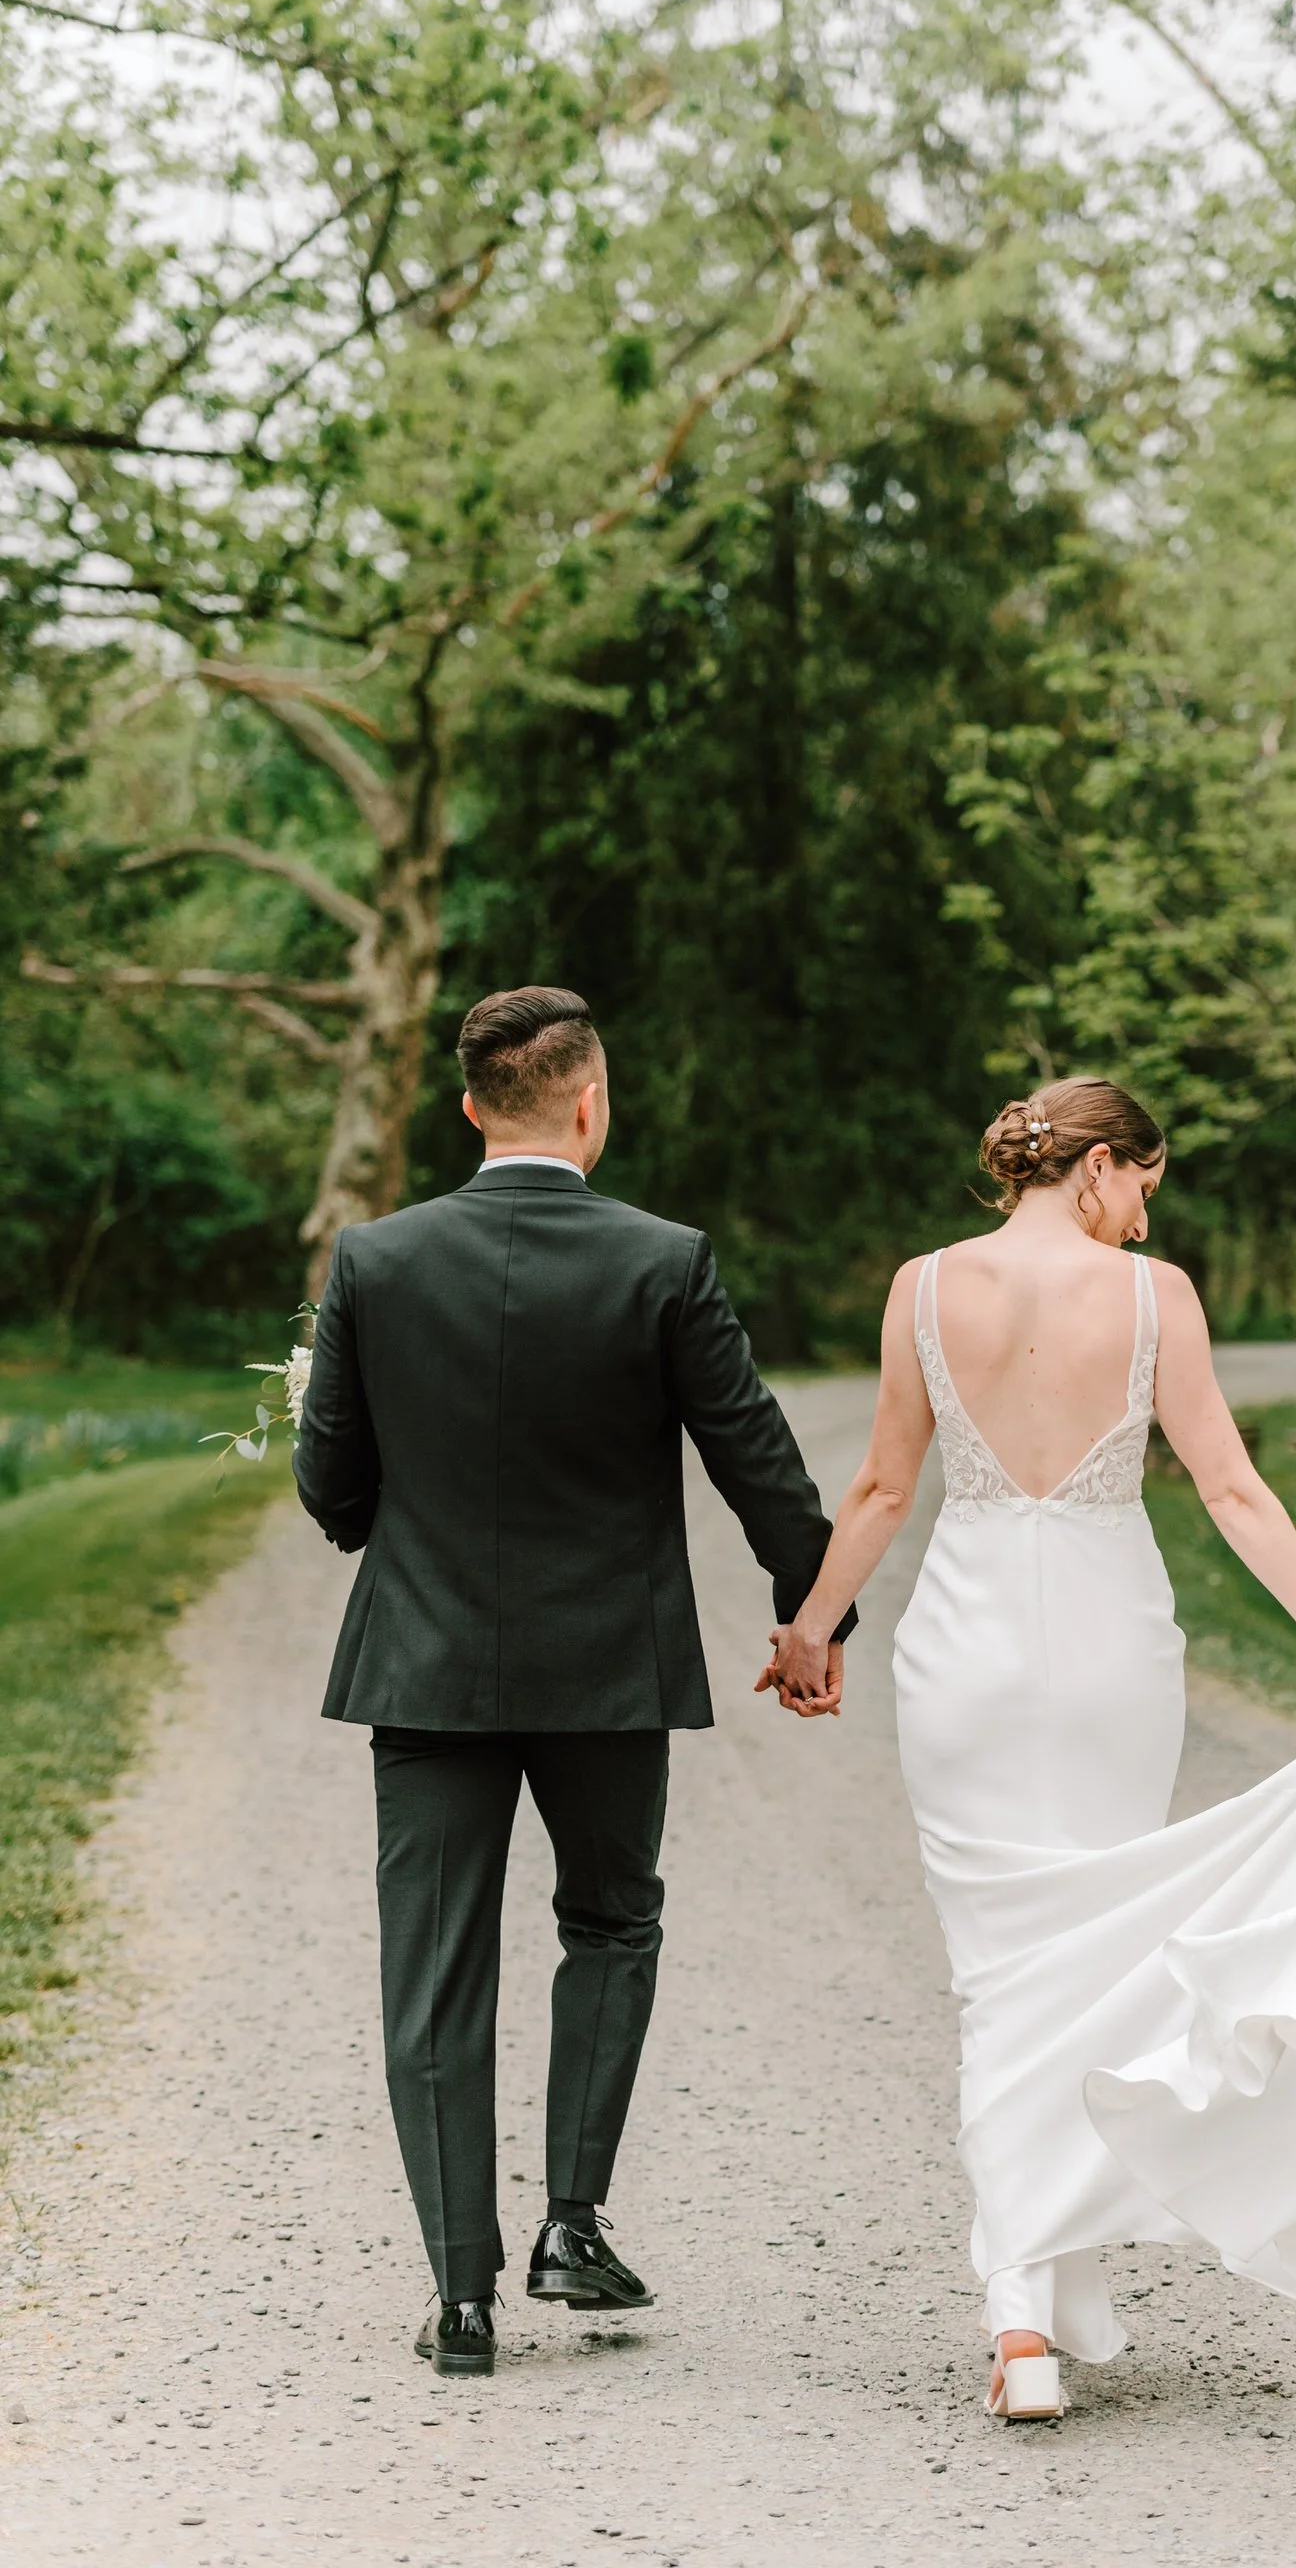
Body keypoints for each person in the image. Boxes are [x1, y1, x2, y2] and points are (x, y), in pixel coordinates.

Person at [764, 1078, 1296, 2421]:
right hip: (1113, 1653)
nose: (1144, 1212)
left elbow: (886, 1486)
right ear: (1095, 1170)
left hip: (965, 1652)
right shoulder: (1153, 1301)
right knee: (1089, 1960)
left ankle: (1027, 2314)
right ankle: (1037, 2289)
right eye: (1144, 1181)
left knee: (1001, 1978)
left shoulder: (920, 1285)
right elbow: (1232, 1489)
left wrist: (811, 1629)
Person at [294, 985, 851, 2377]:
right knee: (610, 1926)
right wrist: (814, 1615)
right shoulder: (664, 1261)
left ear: (472, 1106)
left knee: (434, 1975)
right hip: (608, 1673)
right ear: (591, 1102)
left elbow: (332, 1486)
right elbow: (757, 1457)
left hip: (425, 1671)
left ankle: (462, 2296)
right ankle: (572, 2224)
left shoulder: (376, 1259)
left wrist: (390, 1526)